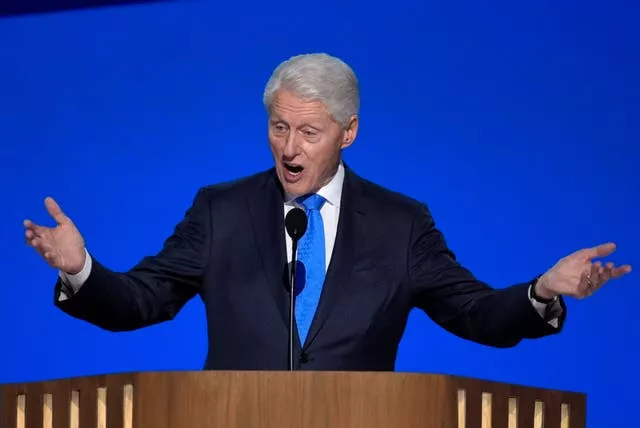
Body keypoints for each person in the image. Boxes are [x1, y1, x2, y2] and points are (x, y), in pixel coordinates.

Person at [24, 53, 631, 371]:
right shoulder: (221, 212)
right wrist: (82, 270)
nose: (289, 148)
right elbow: (141, 300)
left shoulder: (401, 224)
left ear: (349, 133)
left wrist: (541, 291)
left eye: (309, 131)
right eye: (278, 127)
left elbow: (473, 313)